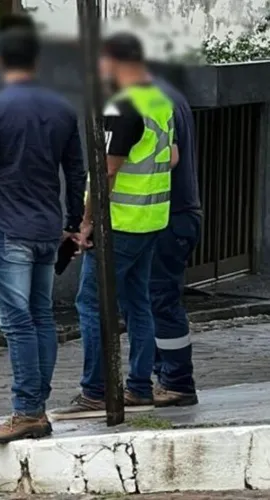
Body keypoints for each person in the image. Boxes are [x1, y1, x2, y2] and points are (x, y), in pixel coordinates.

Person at [0, 21, 87, 442]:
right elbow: (77, 170)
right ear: (36, 62)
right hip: (48, 229)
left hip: (9, 227)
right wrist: (71, 223)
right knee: (41, 318)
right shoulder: (64, 109)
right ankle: (37, 407)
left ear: (1, 62)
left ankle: (28, 410)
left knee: (17, 324)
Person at [52, 32, 178, 420]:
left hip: (119, 224)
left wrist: (86, 224)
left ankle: (96, 389)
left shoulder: (122, 105)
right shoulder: (157, 100)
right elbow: (171, 158)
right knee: (138, 302)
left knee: (91, 303)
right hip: (152, 219)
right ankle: (139, 386)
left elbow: (107, 171)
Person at [150, 77, 201, 407]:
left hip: (165, 217)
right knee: (157, 300)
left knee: (161, 299)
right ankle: (165, 377)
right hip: (176, 215)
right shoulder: (169, 94)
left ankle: (177, 381)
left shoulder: (150, 100)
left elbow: (168, 157)